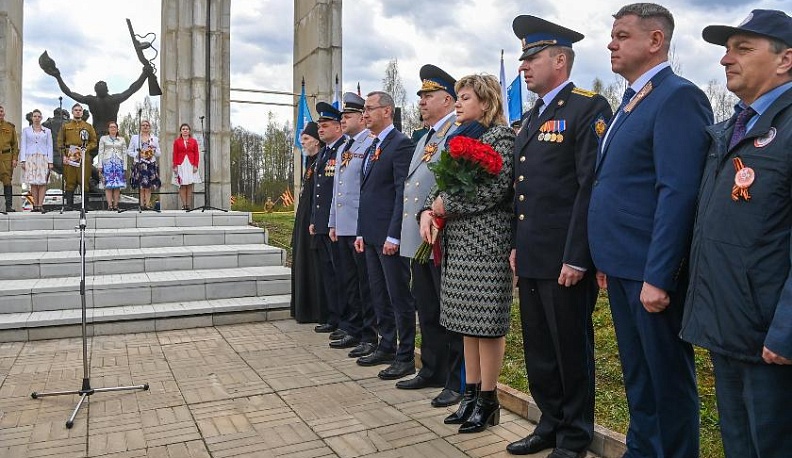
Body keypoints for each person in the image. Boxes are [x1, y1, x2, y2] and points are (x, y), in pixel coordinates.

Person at [587, 4, 713, 457]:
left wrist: (659, 276)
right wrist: (605, 260)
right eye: (612, 35)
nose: (610, 43)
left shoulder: (678, 96)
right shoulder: (632, 99)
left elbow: (677, 192)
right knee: (639, 376)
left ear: (655, 40)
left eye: (622, 35)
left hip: (650, 270)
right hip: (622, 266)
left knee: (667, 381)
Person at [680, 10, 792, 457]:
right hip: (727, 322)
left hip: (769, 335)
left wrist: (786, 332)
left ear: (786, 60)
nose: (727, 59)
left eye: (743, 48)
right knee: (738, 443)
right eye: (727, 50)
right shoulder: (731, 129)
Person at [505, 16, 613, 458]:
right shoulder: (534, 116)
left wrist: (577, 256)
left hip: (565, 258)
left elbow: (589, 187)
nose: (523, 67)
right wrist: (516, 244)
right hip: (532, 253)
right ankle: (549, 423)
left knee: (570, 350)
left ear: (560, 59)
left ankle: (574, 435)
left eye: (532, 58)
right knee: (540, 348)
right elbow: (524, 188)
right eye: (523, 59)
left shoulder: (588, 108)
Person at [419, 74, 515, 434]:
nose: (457, 103)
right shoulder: (459, 138)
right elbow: (441, 185)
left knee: (487, 325)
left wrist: (444, 205)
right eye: (457, 97)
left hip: (487, 243)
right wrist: (429, 210)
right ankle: (471, 395)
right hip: (459, 243)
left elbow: (494, 190)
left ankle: (489, 401)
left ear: (486, 103)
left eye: (465, 98)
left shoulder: (500, 137)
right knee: (466, 324)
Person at [396, 64, 465, 410]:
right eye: (421, 96)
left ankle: (456, 379)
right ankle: (433, 369)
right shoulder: (425, 137)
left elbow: (447, 184)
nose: (421, 101)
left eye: (428, 96)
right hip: (419, 238)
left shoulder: (457, 131)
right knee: (427, 307)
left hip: (442, 237)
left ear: (448, 100)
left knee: (447, 310)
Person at [354, 91, 416, 380]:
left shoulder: (400, 144)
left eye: (369, 109)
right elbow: (367, 193)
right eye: (364, 110)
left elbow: (401, 192)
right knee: (379, 294)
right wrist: (361, 232)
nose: (364, 114)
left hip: (390, 238)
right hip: (371, 235)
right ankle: (387, 345)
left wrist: (395, 234)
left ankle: (405, 356)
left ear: (387, 111)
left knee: (398, 296)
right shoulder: (372, 146)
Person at [327, 92, 378, 358]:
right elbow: (339, 189)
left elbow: (365, 191)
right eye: (343, 116)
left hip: (360, 225)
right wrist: (332, 222)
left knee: (364, 284)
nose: (344, 120)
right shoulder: (344, 147)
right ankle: (353, 327)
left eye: (348, 116)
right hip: (343, 226)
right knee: (348, 280)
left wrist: (360, 227)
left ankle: (368, 335)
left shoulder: (369, 143)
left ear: (361, 117)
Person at [310, 102, 346, 335]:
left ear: (338, 127)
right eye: (319, 126)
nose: (320, 130)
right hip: (323, 222)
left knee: (340, 274)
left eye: (325, 125)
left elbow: (337, 190)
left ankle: (344, 321)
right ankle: (333, 317)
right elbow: (318, 190)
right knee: (328, 275)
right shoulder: (324, 152)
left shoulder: (343, 149)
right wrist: (314, 219)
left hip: (336, 223)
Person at [45, 65, 151, 138]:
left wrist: (58, 77)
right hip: (103, 134)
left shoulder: (94, 100)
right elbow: (132, 89)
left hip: (103, 134)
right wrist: (144, 75)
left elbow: (69, 93)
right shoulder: (111, 99)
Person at [290, 122, 325, 323]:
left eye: (305, 139)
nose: (302, 142)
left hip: (312, 220)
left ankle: (313, 310)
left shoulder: (320, 161)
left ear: (316, 141)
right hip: (303, 219)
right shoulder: (310, 162)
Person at [57, 103, 97, 211]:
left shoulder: (88, 126)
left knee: (84, 179)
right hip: (70, 154)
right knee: (70, 180)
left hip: (84, 155)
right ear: (72, 112)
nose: (78, 111)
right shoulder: (66, 126)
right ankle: (69, 204)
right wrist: (63, 156)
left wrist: (86, 148)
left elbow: (94, 142)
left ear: (82, 112)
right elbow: (60, 142)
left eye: (80, 110)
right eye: (76, 110)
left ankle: (85, 204)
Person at [19, 109, 53, 213]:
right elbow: (23, 145)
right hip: (30, 157)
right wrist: (23, 160)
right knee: (33, 183)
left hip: (43, 157)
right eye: (35, 116)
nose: (37, 118)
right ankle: (35, 205)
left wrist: (50, 161)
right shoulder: (26, 130)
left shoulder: (46, 131)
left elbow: (49, 146)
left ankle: (40, 205)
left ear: (41, 118)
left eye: (38, 116)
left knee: (42, 182)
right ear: (32, 118)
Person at [128, 119, 162, 210]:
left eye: (147, 125)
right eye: (143, 125)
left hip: (150, 164)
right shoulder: (135, 138)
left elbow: (159, 153)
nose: (145, 126)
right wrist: (137, 154)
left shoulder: (154, 139)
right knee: (141, 186)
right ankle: (141, 205)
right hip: (139, 164)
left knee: (148, 186)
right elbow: (129, 151)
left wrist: (153, 150)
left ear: (149, 127)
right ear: (140, 127)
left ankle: (147, 205)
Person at [96, 121, 128, 211]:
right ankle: (109, 205)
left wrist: (125, 166)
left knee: (117, 185)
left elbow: (124, 153)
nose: (113, 129)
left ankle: (116, 205)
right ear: (108, 129)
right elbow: (100, 152)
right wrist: (100, 165)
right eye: (111, 127)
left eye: (115, 127)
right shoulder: (103, 139)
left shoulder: (121, 139)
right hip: (107, 164)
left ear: (117, 129)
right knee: (108, 185)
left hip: (118, 164)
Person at [171, 123, 201, 210]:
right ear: (180, 131)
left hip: (190, 164)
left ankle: (188, 205)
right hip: (181, 164)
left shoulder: (193, 141)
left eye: (187, 129)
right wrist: (175, 166)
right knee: (182, 185)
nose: (185, 130)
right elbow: (175, 154)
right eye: (183, 129)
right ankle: (184, 205)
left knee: (189, 185)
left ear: (189, 131)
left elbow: (197, 154)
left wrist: (195, 165)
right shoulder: (177, 141)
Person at [0, 105, 19, 212]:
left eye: (1, 111)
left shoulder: (10, 127)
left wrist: (14, 158)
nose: (0, 113)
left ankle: (9, 206)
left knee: (7, 181)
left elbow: (15, 145)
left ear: (4, 113)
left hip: (6, 157)